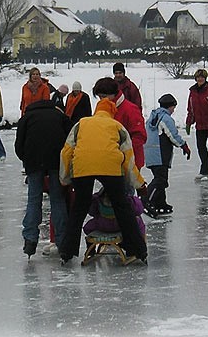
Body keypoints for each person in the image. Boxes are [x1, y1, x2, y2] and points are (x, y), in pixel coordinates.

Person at [59, 98, 148, 265]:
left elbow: (66, 151)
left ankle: (67, 251)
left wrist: (64, 179)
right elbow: (128, 160)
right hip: (110, 166)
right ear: (112, 112)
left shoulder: (81, 124)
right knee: (122, 207)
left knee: (78, 208)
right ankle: (137, 249)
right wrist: (140, 184)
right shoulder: (117, 127)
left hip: (82, 165)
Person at [14, 99, 72, 258]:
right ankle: (62, 241)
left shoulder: (27, 117)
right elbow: (71, 139)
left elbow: (19, 145)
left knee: (33, 199)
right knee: (58, 200)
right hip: (56, 161)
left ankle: (30, 239)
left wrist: (26, 160)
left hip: (33, 162)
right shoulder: (59, 116)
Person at [143, 94, 191, 216]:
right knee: (160, 179)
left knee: (161, 179)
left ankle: (160, 203)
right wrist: (183, 145)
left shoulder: (153, 117)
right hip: (160, 153)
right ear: (170, 106)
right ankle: (146, 200)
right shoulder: (165, 118)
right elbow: (173, 135)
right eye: (173, 107)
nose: (173, 110)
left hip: (151, 152)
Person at [92, 77, 146, 170]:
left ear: (114, 94)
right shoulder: (102, 108)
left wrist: (122, 151)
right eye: (99, 97)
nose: (101, 100)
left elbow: (140, 136)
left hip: (129, 162)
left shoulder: (130, 109)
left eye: (104, 96)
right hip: (109, 161)